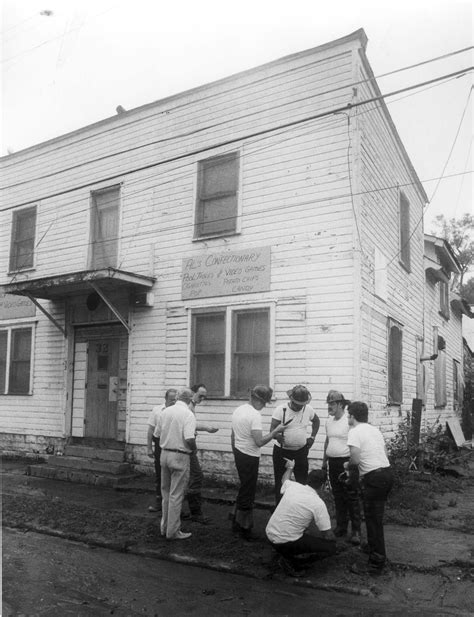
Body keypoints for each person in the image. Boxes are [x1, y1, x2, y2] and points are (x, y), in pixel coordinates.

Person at [231, 385, 286, 540]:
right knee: (248, 491)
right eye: (264, 403)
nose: (264, 406)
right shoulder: (255, 415)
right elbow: (259, 442)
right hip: (249, 455)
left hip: (239, 452)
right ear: (258, 400)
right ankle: (243, 527)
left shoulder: (239, 410)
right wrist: (275, 432)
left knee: (244, 487)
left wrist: (236, 450)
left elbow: (232, 435)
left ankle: (235, 519)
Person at [345, 401, 394, 574]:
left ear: (352, 416)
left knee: (373, 520)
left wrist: (347, 466)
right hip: (387, 474)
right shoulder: (374, 430)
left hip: (374, 478)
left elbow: (356, 460)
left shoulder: (354, 432)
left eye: (348, 414)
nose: (347, 418)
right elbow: (384, 454)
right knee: (375, 517)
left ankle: (376, 563)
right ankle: (373, 547)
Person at [266, 460, 336, 576]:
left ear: (308, 480)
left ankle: (285, 553)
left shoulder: (294, 486)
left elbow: (284, 480)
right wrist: (335, 541)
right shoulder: (318, 503)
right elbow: (327, 534)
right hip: (284, 542)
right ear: (323, 485)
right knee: (331, 548)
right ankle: (293, 562)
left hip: (269, 534)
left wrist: (290, 467)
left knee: (304, 532)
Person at [155, 387, 196, 540]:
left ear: (178, 397)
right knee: (176, 495)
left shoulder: (165, 412)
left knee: (166, 493)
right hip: (180, 455)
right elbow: (189, 438)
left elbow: (157, 434)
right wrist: (194, 450)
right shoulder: (188, 414)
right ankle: (173, 531)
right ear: (190, 399)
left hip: (164, 453)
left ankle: (164, 527)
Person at [322, 390, 361, 544]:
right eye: (328, 404)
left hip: (346, 464)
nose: (329, 407)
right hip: (333, 463)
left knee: (351, 497)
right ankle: (341, 527)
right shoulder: (328, 421)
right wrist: (324, 462)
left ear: (340, 404)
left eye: (332, 404)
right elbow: (327, 441)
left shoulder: (349, 421)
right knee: (338, 496)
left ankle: (356, 531)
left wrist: (351, 465)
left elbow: (355, 443)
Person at [270, 385, 320, 505]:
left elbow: (316, 421)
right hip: (282, 452)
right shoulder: (280, 410)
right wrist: (277, 436)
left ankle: (300, 509)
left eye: (302, 404)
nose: (300, 407)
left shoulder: (308, 409)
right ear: (291, 399)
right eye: (298, 404)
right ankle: (280, 509)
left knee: (302, 482)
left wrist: (312, 437)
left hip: (301, 452)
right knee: (281, 483)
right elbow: (272, 430)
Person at [184, 383, 218, 524]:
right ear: (193, 393)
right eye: (200, 395)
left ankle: (180, 510)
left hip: (186, 445)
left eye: (204, 396)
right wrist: (207, 428)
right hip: (187, 445)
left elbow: (192, 424)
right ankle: (195, 513)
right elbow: (189, 425)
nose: (202, 398)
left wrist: (207, 428)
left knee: (186, 478)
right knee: (197, 476)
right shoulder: (187, 407)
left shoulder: (191, 406)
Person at [147, 388, 177, 513]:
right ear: (165, 399)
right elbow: (151, 430)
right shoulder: (157, 410)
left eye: (175, 399)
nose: (173, 402)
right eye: (171, 400)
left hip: (174, 445)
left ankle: (174, 507)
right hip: (160, 445)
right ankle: (159, 503)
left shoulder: (178, 411)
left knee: (174, 475)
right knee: (160, 475)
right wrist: (149, 447)